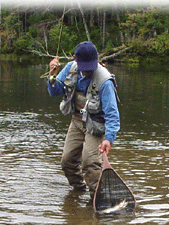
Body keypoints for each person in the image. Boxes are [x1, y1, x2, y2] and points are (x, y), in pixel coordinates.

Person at [46, 41, 120, 197]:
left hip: (96, 124)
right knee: (67, 161)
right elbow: (55, 91)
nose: (86, 71)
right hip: (77, 121)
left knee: (90, 163)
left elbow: (112, 114)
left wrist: (109, 139)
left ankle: (98, 197)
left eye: (90, 67)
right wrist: (52, 75)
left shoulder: (105, 81)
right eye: (83, 66)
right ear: (75, 59)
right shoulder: (69, 68)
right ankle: (78, 190)